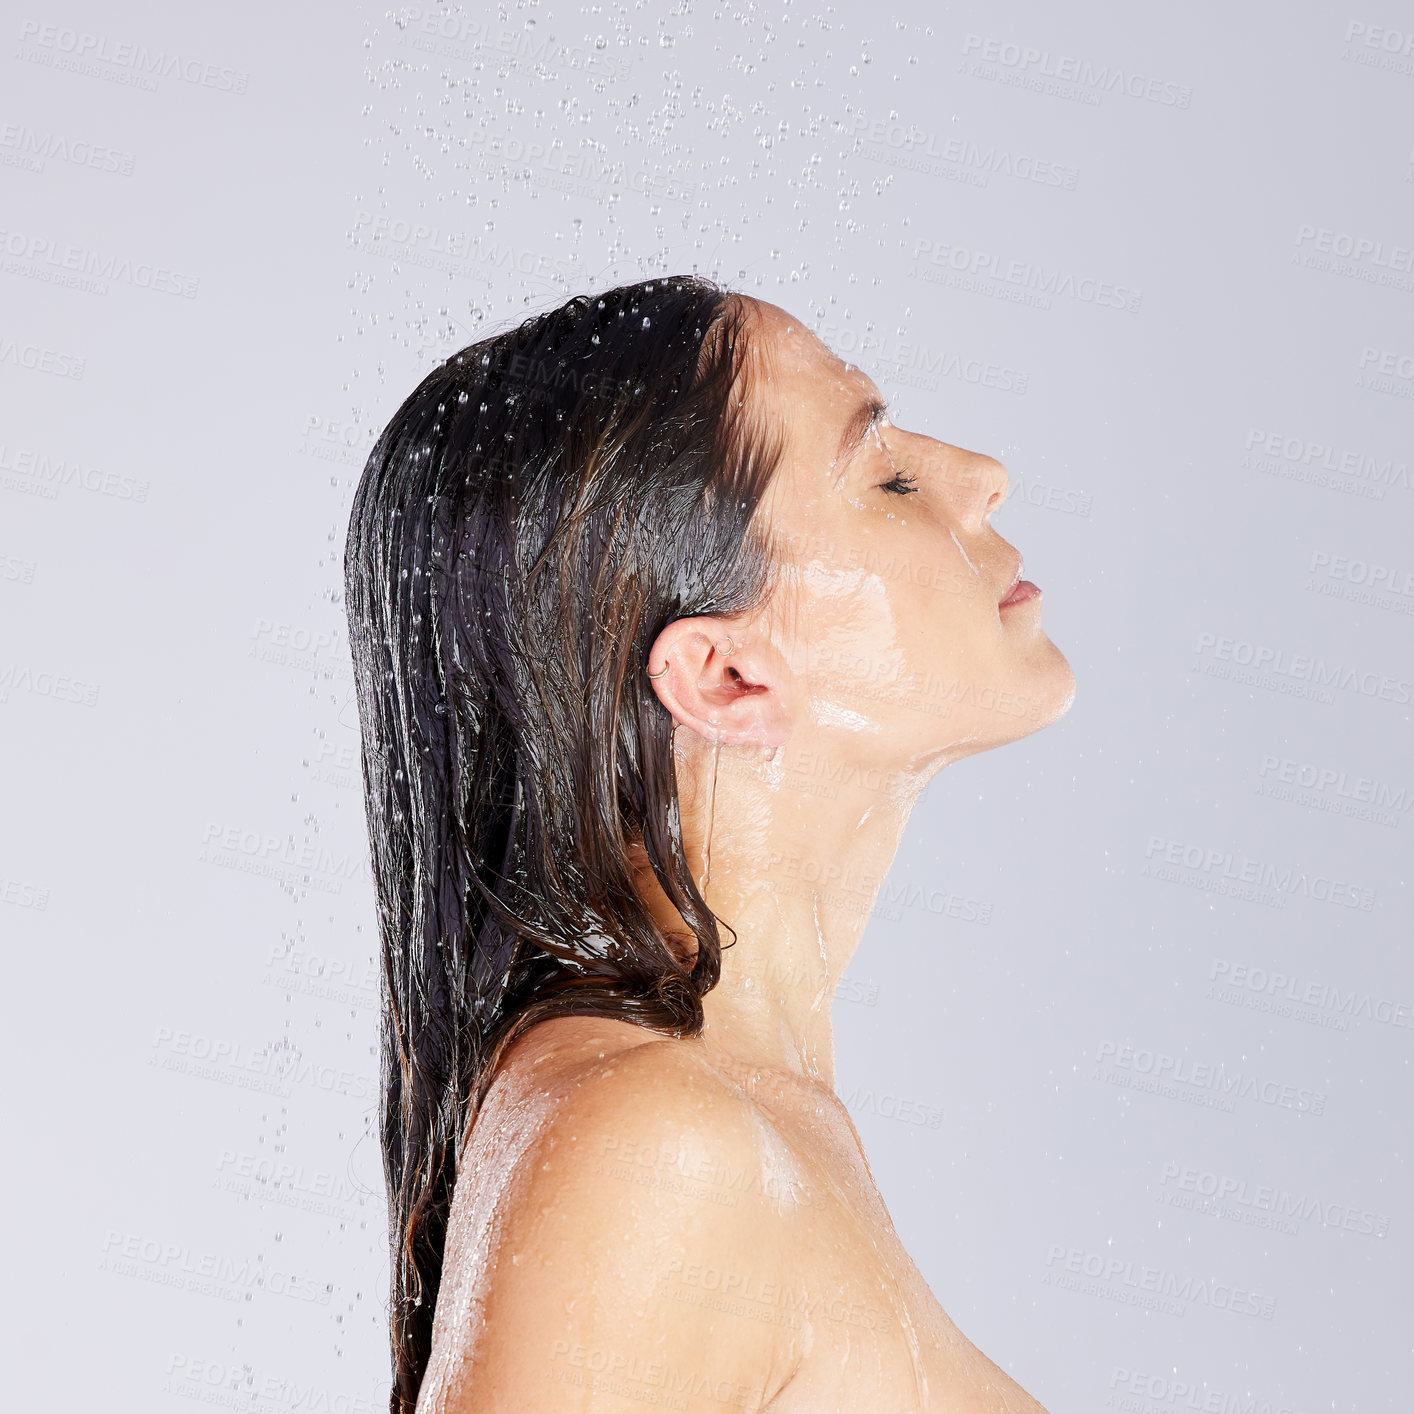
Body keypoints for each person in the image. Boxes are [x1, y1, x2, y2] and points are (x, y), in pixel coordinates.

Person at [344, 275, 1074, 1414]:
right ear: (726, 675)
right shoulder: (649, 1145)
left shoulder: (734, 1118)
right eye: (882, 474)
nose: (981, 478)